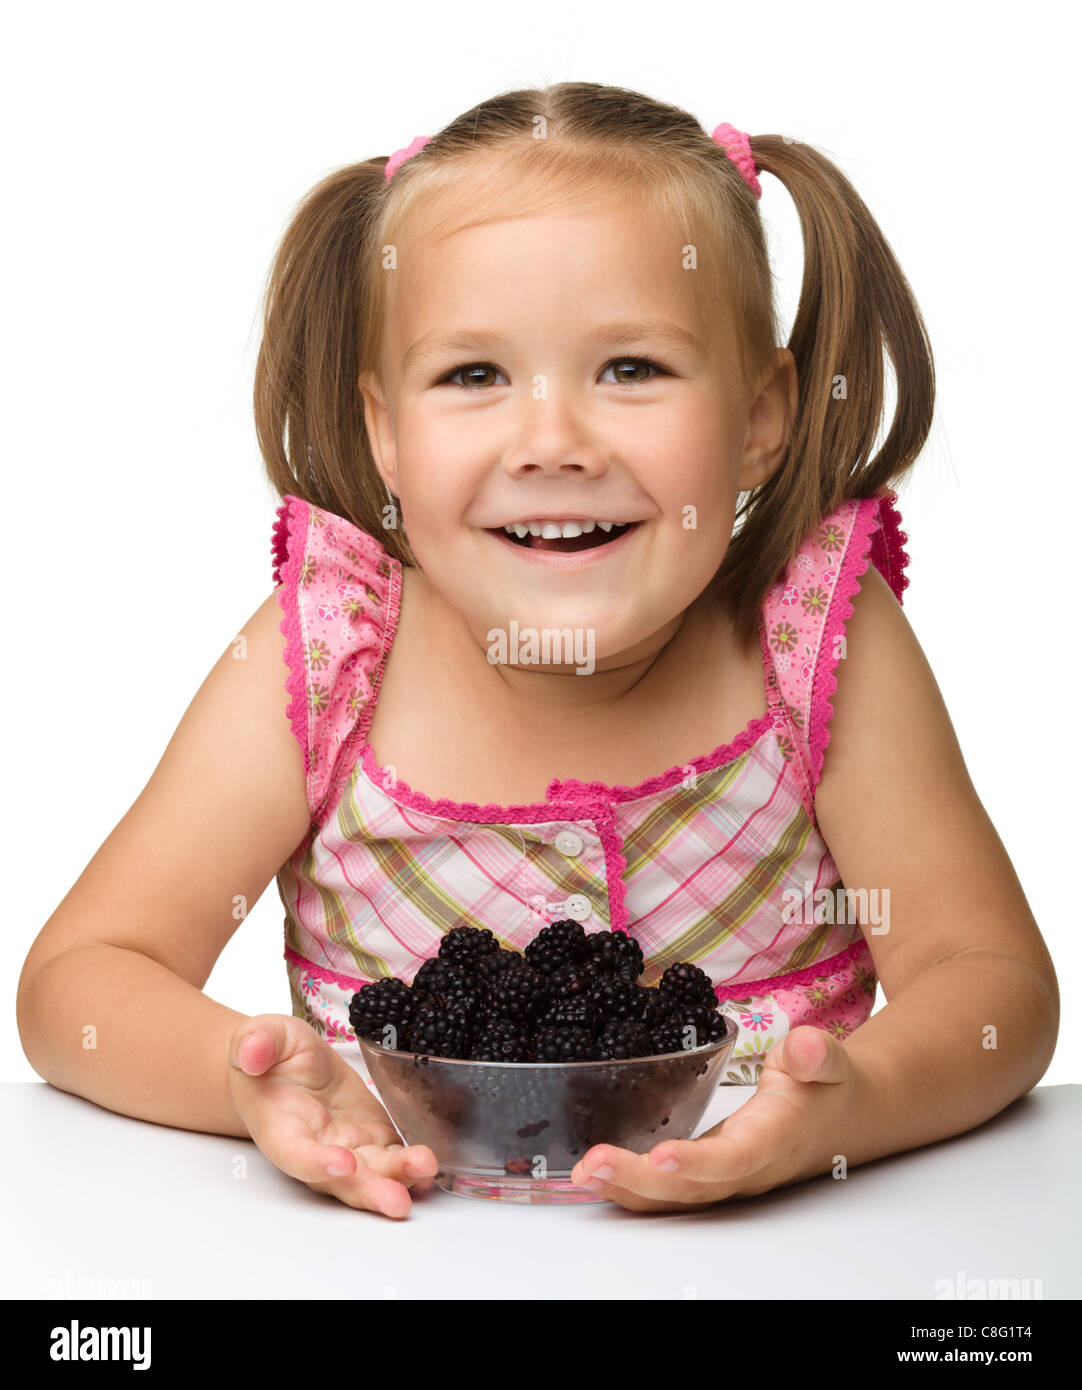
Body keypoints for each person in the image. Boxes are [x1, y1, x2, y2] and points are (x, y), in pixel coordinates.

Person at [17, 82, 1058, 1218]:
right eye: (473, 375)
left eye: (631, 368)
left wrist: (852, 1107)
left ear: (761, 413)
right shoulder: (328, 658)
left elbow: (990, 981)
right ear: (385, 434)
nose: (551, 441)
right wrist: (254, 1080)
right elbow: (81, 980)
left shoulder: (814, 646)